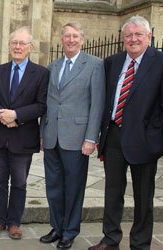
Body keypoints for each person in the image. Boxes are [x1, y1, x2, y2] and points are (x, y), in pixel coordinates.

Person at [89, 15, 163, 250]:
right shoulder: (112, 62)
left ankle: (140, 244)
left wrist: (158, 140)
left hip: (145, 140)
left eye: (138, 34)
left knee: (143, 197)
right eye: (128, 35)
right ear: (123, 38)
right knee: (112, 193)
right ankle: (110, 239)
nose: (133, 39)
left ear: (149, 36)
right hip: (114, 137)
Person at [39, 22, 104, 249]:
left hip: (77, 138)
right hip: (52, 136)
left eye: (75, 36)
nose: (71, 40)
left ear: (82, 40)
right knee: (53, 186)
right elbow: (47, 103)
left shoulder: (94, 65)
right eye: (67, 36)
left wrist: (91, 138)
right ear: (61, 39)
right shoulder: (53, 66)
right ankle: (56, 227)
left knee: (74, 186)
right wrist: (41, 133)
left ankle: (70, 231)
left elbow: (97, 104)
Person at [0, 26, 48, 240]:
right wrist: (3, 116)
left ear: (30, 47)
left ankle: (14, 223)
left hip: (23, 138)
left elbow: (41, 105)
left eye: (22, 43)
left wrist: (16, 115)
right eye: (14, 43)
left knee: (19, 183)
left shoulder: (41, 73)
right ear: (9, 45)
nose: (17, 47)